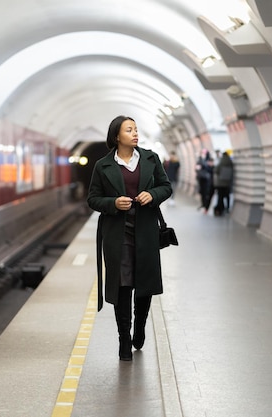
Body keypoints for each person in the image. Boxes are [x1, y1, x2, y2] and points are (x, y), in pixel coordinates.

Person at [87, 115, 172, 361]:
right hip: (117, 233)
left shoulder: (150, 158)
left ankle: (140, 326)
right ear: (116, 136)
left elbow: (166, 186)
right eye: (129, 130)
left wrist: (152, 195)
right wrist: (113, 202)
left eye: (136, 129)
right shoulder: (102, 165)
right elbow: (93, 198)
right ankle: (124, 338)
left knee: (144, 284)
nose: (135, 133)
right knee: (123, 285)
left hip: (145, 231)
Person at [213, 150, 234, 216]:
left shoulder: (221, 161)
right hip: (227, 182)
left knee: (220, 196)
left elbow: (216, 170)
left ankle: (220, 209)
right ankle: (227, 208)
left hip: (220, 183)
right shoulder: (230, 162)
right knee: (227, 196)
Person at [195, 148, 213, 213]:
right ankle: (203, 204)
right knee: (202, 192)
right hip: (201, 178)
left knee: (206, 193)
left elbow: (210, 168)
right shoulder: (200, 160)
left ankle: (205, 206)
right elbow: (197, 168)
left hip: (207, 179)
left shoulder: (209, 160)